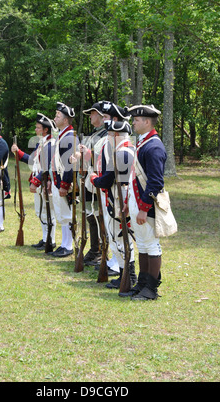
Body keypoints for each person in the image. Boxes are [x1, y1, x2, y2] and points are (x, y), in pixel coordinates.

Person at [124, 104, 167, 300]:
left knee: (151, 246)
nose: (133, 122)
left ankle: (151, 289)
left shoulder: (154, 146)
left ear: (147, 122)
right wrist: (128, 202)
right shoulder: (143, 143)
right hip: (137, 203)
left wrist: (143, 208)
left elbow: (155, 182)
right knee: (142, 245)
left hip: (147, 206)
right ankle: (142, 284)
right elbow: (134, 178)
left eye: (137, 119)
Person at [89, 119, 137, 293]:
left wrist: (94, 178)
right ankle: (126, 274)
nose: (108, 137)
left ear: (116, 135)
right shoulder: (129, 149)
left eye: (109, 134)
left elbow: (106, 180)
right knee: (121, 238)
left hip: (117, 199)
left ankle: (129, 276)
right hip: (121, 198)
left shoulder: (120, 153)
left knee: (119, 238)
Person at [11, 113, 57, 250]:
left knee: (48, 212)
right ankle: (45, 238)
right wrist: (18, 152)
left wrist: (36, 181)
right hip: (39, 182)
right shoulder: (42, 143)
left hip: (44, 182)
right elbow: (32, 161)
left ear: (46, 130)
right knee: (40, 212)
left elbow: (47, 167)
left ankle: (51, 240)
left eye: (38, 128)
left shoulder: (51, 145)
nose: (36, 130)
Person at [78, 102, 108, 266]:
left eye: (93, 113)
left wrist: (87, 153)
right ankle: (95, 248)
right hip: (88, 180)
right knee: (91, 215)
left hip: (98, 180)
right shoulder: (94, 134)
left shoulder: (106, 135)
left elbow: (104, 157)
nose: (90, 116)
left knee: (99, 216)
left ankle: (102, 251)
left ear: (102, 116)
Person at [49, 102, 78, 258]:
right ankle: (63, 244)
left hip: (63, 182)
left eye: (58, 116)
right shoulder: (63, 135)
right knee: (62, 214)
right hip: (57, 180)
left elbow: (69, 164)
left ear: (66, 120)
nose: (55, 118)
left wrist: (65, 185)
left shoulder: (69, 136)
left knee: (66, 215)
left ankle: (68, 246)